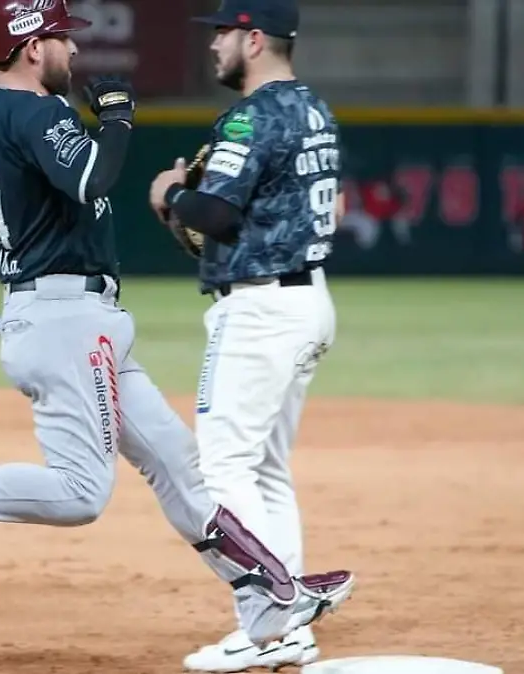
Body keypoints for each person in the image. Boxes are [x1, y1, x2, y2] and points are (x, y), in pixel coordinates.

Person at [0, 0, 354, 649]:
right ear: (33, 47)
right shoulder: (39, 112)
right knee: (80, 493)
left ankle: (265, 601)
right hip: (66, 322)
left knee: (179, 464)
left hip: (63, 318)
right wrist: (117, 118)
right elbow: (93, 179)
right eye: (62, 38)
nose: (73, 52)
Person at [148, 0, 345, 670]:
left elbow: (216, 215)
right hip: (306, 301)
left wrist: (172, 192)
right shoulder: (314, 107)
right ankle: (289, 623)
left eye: (223, 35)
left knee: (224, 467)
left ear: (254, 40)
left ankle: (264, 621)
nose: (213, 47)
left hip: (261, 313)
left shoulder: (252, 115)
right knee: (265, 467)